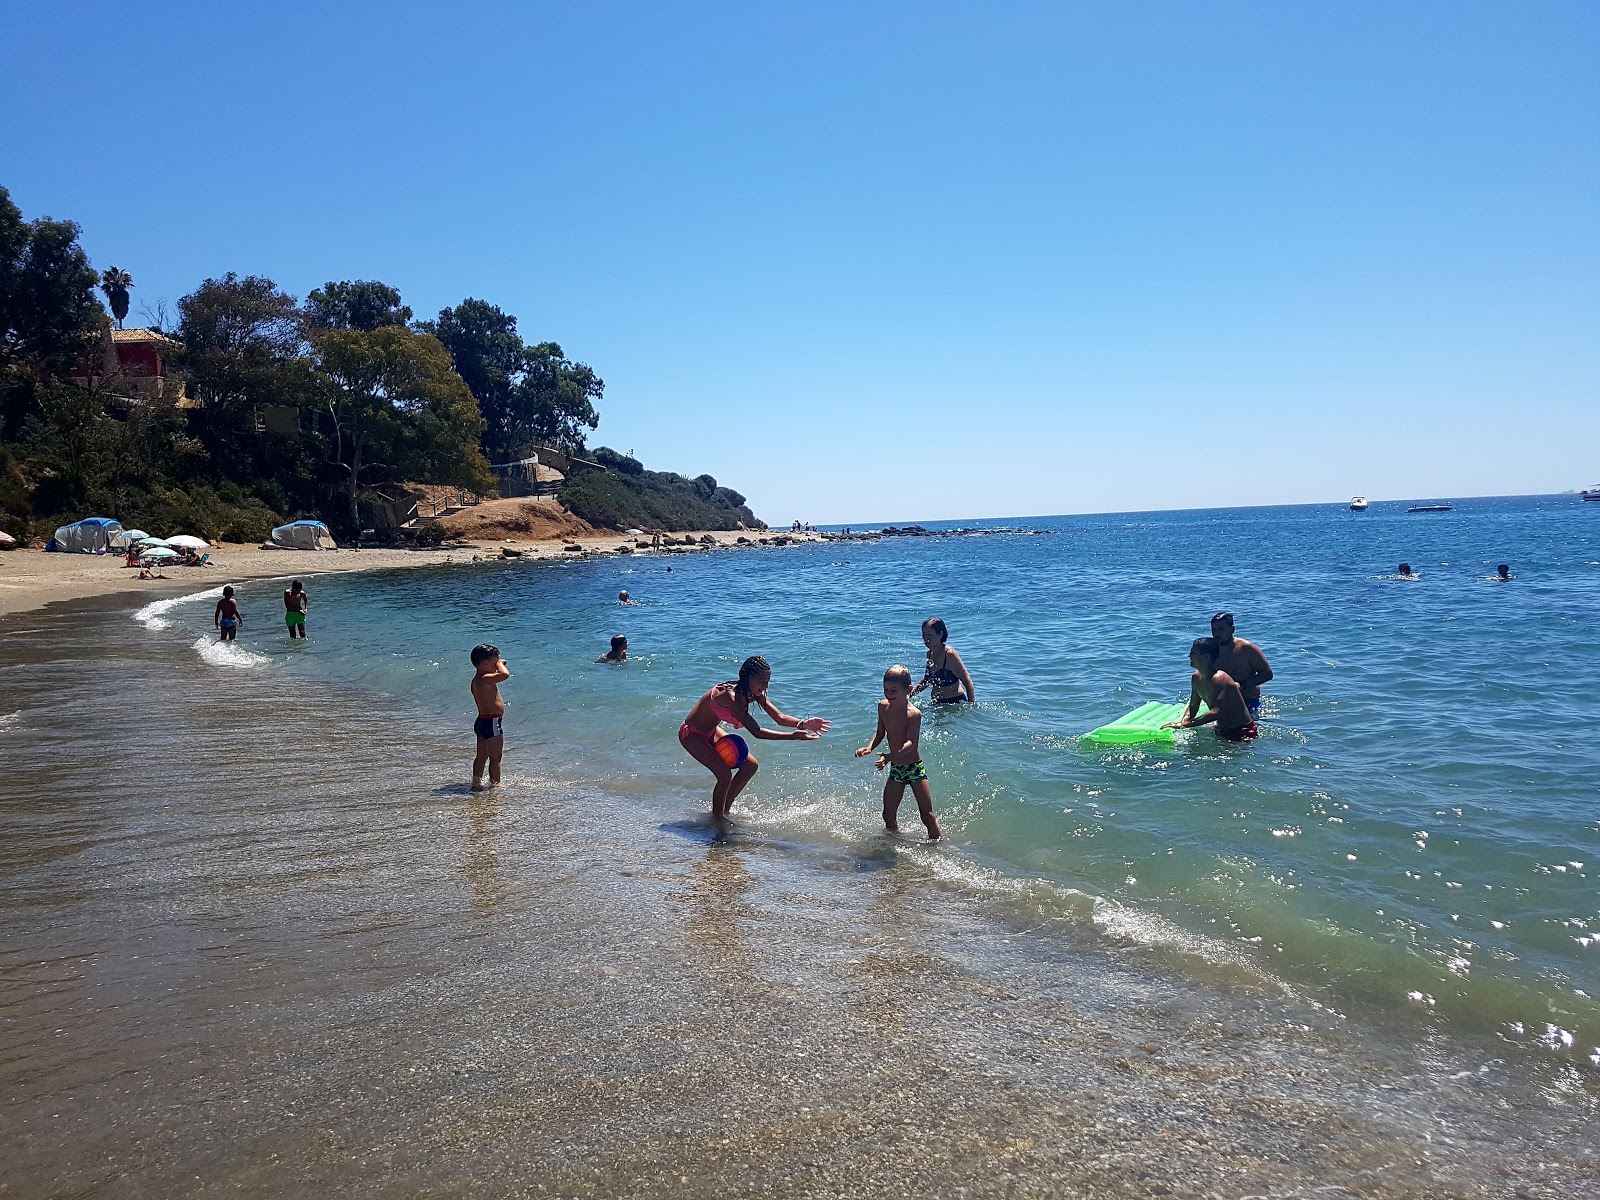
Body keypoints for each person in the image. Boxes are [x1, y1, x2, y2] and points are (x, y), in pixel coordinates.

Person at [677, 655, 830, 820]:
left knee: (751, 766)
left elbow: (779, 718)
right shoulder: (731, 697)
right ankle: (717, 819)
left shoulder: (755, 693)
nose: (765, 685)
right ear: (748, 677)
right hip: (692, 734)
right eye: (762, 680)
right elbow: (757, 732)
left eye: (768, 681)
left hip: (712, 730)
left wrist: (803, 723)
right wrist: (793, 736)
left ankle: (724, 810)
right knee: (724, 775)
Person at [856, 664, 941, 840]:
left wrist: (888, 757)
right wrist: (870, 747)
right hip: (897, 769)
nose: (889, 694)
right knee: (888, 814)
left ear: (908, 690)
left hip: (914, 769)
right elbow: (880, 732)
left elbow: (911, 744)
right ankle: (893, 843)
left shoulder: (913, 714)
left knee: (927, 815)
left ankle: (938, 844)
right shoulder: (883, 707)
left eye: (894, 690)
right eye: (886, 689)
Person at [1163, 637, 1258, 741]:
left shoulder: (1219, 678)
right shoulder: (1196, 678)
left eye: (1193, 653)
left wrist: (1186, 725)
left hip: (1242, 731)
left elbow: (1216, 712)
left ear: (1206, 657)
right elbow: (1193, 706)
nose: (1189, 656)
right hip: (1221, 728)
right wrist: (1183, 721)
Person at [1208, 612, 1272, 718]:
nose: (1216, 634)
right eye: (1213, 629)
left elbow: (1267, 674)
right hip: (1222, 703)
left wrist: (1242, 685)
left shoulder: (1246, 649)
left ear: (1232, 629)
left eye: (1221, 629)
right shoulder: (1211, 650)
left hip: (1247, 702)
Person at [469, 644, 511, 791]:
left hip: (481, 721)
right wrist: (500, 664)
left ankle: (476, 782)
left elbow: (499, 672)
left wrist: (498, 663)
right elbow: (505, 675)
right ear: (485, 664)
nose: (498, 665)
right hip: (492, 722)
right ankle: (495, 786)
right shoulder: (486, 679)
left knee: (481, 757)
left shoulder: (477, 679)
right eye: (495, 662)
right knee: (495, 759)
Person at [911, 617, 975, 704]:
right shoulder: (929, 654)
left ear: (940, 634)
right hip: (936, 702)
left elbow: (967, 681)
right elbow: (928, 680)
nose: (926, 639)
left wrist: (971, 706)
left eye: (929, 635)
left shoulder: (949, 654)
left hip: (955, 703)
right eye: (924, 635)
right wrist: (910, 695)